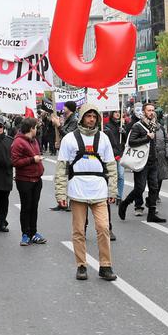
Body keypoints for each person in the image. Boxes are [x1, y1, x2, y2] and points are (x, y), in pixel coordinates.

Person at [55, 106, 118, 281]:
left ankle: (105, 266)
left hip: (99, 191)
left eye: (94, 116)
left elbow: (112, 167)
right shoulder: (69, 139)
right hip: (77, 191)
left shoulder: (103, 138)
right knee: (78, 231)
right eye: (88, 116)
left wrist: (113, 190)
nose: (91, 119)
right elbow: (61, 169)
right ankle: (81, 265)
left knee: (103, 228)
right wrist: (61, 194)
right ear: (81, 118)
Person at [118, 102, 168, 223]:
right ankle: (125, 204)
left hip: (153, 161)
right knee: (140, 188)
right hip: (141, 162)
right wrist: (147, 138)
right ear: (144, 112)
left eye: (153, 110)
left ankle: (151, 214)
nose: (151, 112)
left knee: (154, 188)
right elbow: (131, 142)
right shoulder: (138, 126)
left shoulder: (155, 125)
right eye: (149, 110)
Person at [11, 116, 47, 246]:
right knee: (26, 207)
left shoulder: (34, 140)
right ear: (31, 128)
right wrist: (33, 160)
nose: (37, 129)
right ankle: (25, 234)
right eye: (36, 127)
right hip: (25, 180)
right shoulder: (18, 142)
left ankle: (34, 232)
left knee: (34, 207)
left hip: (37, 179)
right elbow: (15, 162)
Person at [104, 110, 128, 203]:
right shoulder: (107, 126)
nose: (118, 114)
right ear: (111, 114)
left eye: (119, 112)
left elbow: (126, 140)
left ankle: (119, 196)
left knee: (121, 175)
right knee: (111, 175)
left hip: (120, 153)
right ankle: (111, 194)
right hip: (111, 154)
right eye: (115, 112)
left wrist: (124, 132)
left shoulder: (122, 126)